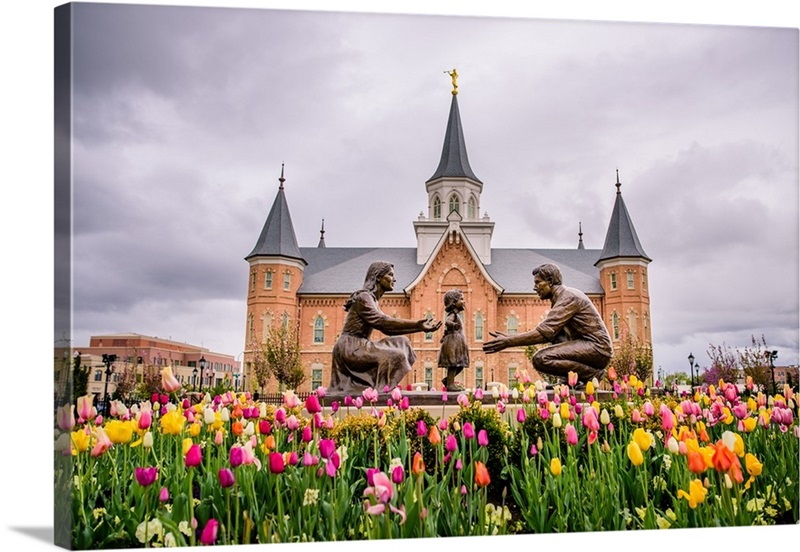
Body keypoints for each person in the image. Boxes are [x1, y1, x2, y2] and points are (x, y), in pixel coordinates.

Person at [482, 263, 613, 385]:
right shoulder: (559, 299)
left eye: (538, 283)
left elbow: (543, 334)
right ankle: (568, 379)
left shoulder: (568, 297)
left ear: (550, 281)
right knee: (556, 335)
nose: (534, 287)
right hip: (588, 345)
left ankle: (592, 374)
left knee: (540, 359)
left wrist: (508, 341)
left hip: (598, 349)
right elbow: (552, 335)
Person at [330, 261, 442, 394]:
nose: (394, 279)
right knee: (397, 355)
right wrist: (417, 325)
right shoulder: (363, 297)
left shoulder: (372, 300)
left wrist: (419, 328)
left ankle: (384, 388)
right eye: (390, 275)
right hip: (350, 348)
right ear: (378, 277)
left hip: (362, 344)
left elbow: (388, 328)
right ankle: (382, 391)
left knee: (403, 343)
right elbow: (383, 323)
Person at [438, 289, 469, 390]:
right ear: (454, 302)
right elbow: (447, 322)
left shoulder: (457, 315)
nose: (464, 302)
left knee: (460, 364)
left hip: (457, 341)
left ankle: (448, 380)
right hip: (453, 342)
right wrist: (454, 325)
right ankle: (450, 384)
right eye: (462, 299)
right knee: (453, 363)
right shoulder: (453, 314)